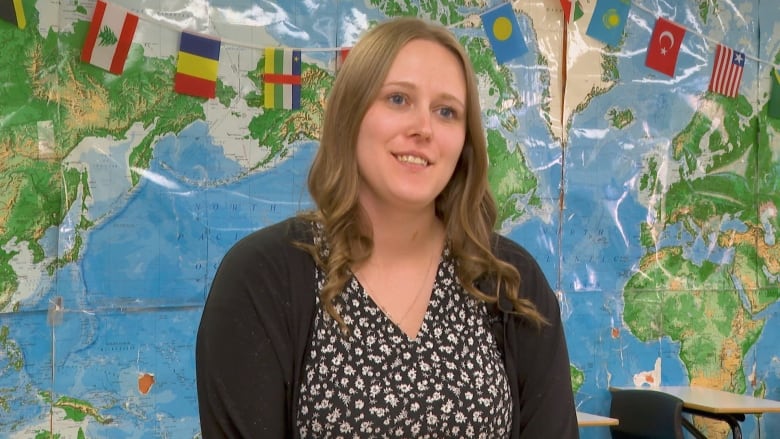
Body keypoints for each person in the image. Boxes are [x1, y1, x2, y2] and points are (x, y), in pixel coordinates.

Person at [196, 16, 578, 438]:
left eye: (447, 111)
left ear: (464, 142)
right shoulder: (261, 279)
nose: (423, 128)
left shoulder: (511, 282)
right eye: (398, 99)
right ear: (351, 114)